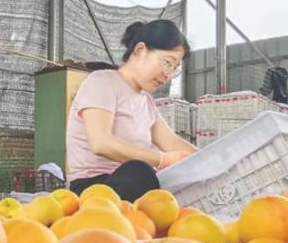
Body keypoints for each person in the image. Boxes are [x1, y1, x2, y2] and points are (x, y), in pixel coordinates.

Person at [66, 19, 197, 201]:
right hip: (93, 189)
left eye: (175, 68)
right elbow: (100, 143)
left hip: (131, 186)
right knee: (140, 172)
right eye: (167, 63)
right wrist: (161, 160)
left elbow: (173, 143)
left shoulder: (146, 102)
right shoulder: (102, 82)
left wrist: (211, 161)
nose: (168, 75)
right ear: (140, 51)